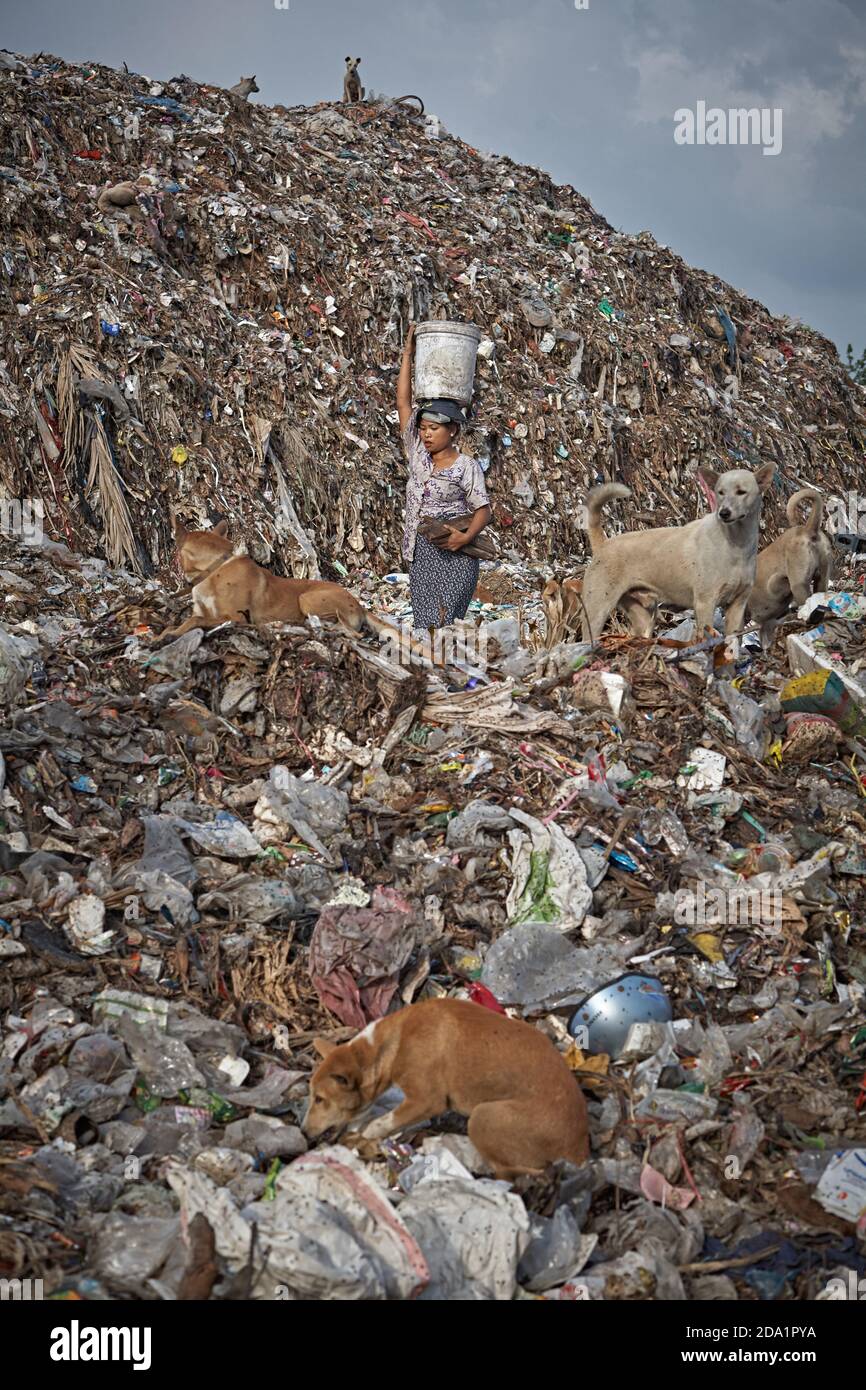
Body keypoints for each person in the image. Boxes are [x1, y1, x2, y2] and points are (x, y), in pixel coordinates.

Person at [397, 324, 492, 630]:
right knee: (425, 624)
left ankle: (450, 672)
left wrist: (466, 536)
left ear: (451, 430)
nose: (425, 434)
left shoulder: (466, 466)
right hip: (421, 550)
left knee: (448, 623)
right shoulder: (418, 456)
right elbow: (402, 403)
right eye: (423, 428)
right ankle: (432, 674)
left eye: (433, 429)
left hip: (456, 553)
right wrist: (408, 353)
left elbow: (483, 510)